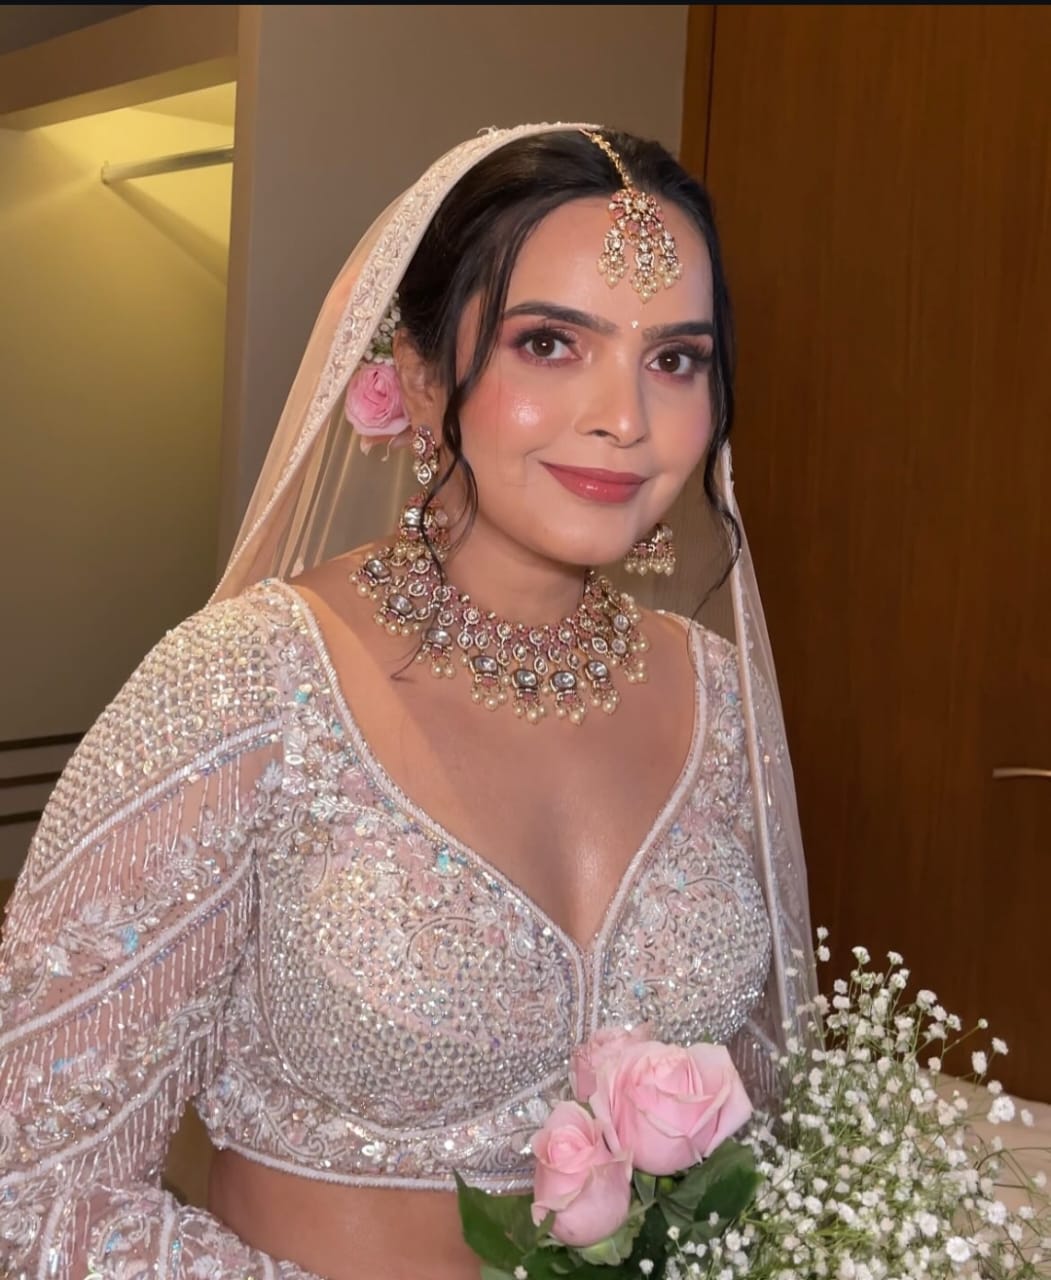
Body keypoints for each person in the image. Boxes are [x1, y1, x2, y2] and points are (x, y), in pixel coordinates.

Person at [0, 124, 814, 1280]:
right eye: (549, 343)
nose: (625, 417)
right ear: (420, 377)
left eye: (675, 359)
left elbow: (769, 1130)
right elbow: (33, 1189)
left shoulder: (716, 695)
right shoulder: (245, 683)